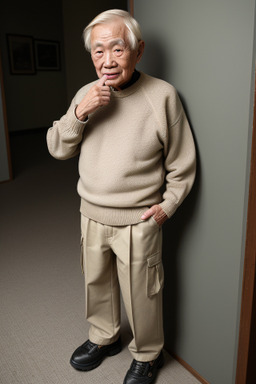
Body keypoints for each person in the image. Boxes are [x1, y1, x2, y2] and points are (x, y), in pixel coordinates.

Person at [47, 9, 196, 384]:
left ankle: (148, 354)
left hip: (139, 220)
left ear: (138, 50)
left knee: (143, 294)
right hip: (91, 214)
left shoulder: (162, 96)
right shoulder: (86, 93)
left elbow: (182, 164)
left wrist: (167, 207)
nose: (108, 61)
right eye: (99, 51)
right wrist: (80, 112)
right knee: (96, 284)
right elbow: (57, 148)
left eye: (118, 48)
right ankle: (104, 337)